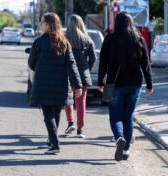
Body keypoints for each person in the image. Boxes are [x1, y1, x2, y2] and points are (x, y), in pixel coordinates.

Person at [98, 12, 153, 161]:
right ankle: (126, 149)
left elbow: (103, 61)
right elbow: (145, 63)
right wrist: (149, 84)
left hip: (113, 84)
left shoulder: (110, 39)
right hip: (135, 84)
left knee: (115, 116)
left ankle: (119, 138)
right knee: (128, 116)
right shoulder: (138, 38)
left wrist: (100, 82)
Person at [28, 13, 83, 154]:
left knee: (48, 116)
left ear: (48, 25)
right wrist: (77, 85)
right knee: (56, 113)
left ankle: (55, 144)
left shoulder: (38, 42)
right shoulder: (64, 43)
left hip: (43, 85)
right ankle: (53, 139)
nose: (40, 25)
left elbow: (31, 63)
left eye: (42, 23)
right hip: (61, 85)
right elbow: (72, 66)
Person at [64, 15, 96, 138]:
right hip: (83, 74)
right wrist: (87, 68)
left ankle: (70, 122)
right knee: (81, 101)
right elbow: (93, 58)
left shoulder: (65, 39)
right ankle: (80, 130)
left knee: (68, 99)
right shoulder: (87, 39)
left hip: (68, 74)